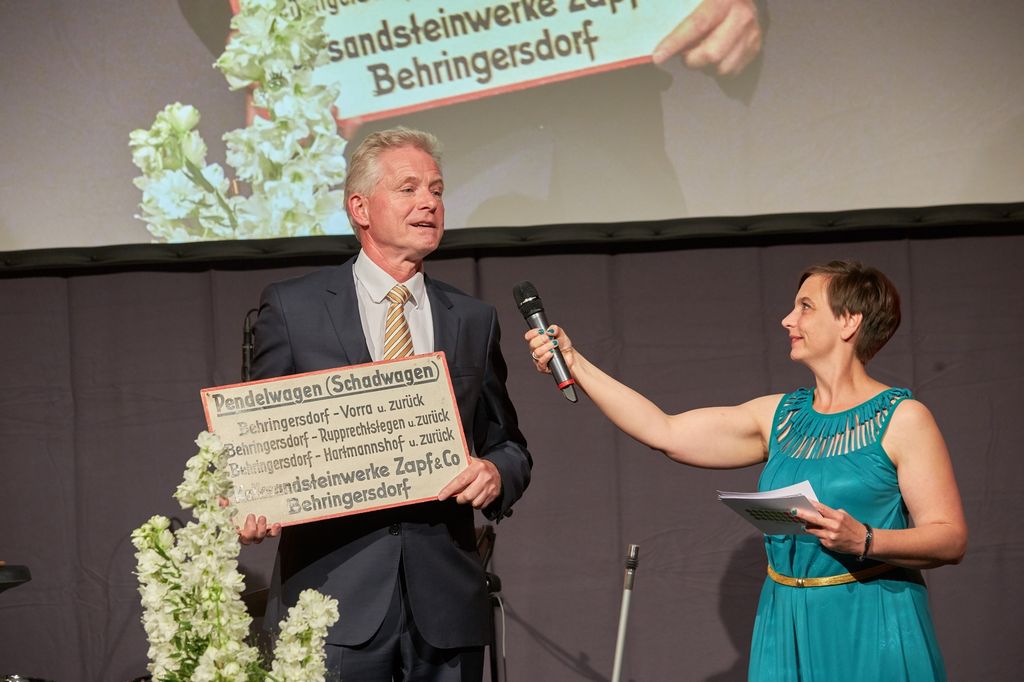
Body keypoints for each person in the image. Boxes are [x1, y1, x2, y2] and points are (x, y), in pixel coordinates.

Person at [525, 260, 966, 681]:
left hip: (870, 621)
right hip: (786, 618)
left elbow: (949, 537)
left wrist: (866, 540)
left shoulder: (903, 418)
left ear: (849, 321)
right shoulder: (778, 416)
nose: (787, 320)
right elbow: (665, 431)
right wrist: (575, 362)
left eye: (805, 307)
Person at [239, 127, 532, 681]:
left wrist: (496, 473)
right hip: (331, 603)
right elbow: (257, 438)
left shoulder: (473, 319)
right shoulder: (294, 308)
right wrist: (251, 495)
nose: (429, 203)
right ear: (360, 208)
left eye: (437, 190)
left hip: (445, 606)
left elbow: (508, 444)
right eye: (408, 188)